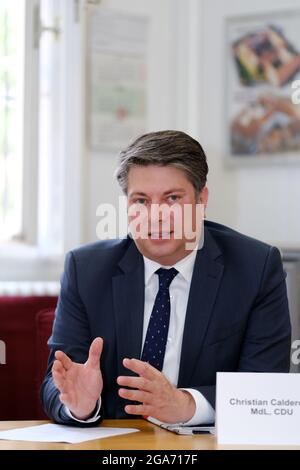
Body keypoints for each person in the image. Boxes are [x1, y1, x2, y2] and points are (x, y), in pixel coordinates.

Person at [41, 130, 291, 426]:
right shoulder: (86, 270)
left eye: (172, 198)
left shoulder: (255, 268)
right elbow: (58, 383)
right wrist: (80, 406)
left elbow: (264, 392)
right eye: (141, 201)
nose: (156, 216)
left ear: (202, 200)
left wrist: (186, 405)